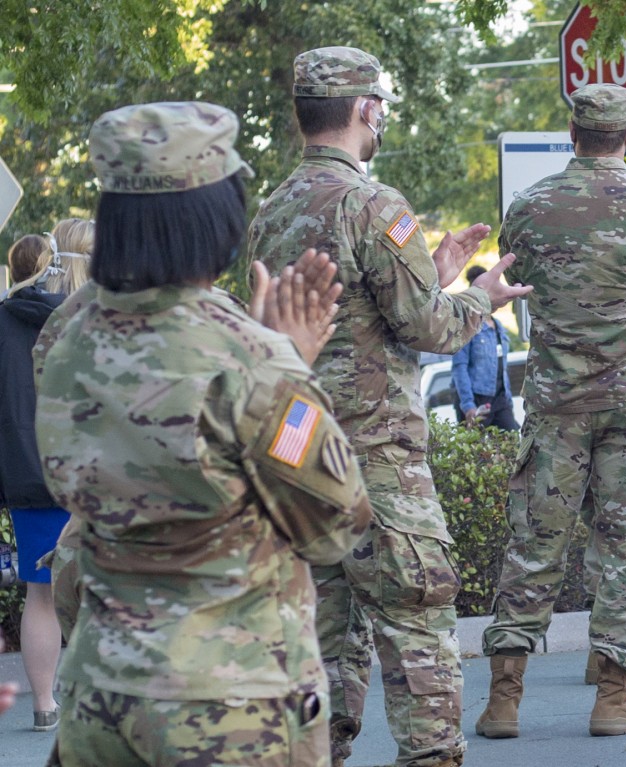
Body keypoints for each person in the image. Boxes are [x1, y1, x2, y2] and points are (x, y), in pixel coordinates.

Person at [36, 100, 370, 765]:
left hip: (100, 699)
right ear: (216, 215)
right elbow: (335, 522)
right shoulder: (247, 355)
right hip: (229, 710)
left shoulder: (66, 338)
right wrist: (292, 373)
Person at [247, 47, 528, 767]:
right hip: (377, 459)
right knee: (418, 615)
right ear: (366, 109)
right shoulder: (373, 203)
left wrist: (431, 274)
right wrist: (479, 296)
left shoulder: (272, 210)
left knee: (325, 632)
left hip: (302, 451)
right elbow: (427, 327)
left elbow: (361, 314)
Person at [476, 83, 626, 739]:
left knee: (533, 543)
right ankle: (613, 696)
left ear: (572, 133)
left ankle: (503, 700)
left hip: (555, 400)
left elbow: (518, 273)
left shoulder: (529, 207)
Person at [0, 217, 93, 732]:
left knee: (40, 591)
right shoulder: (89, 321)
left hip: (28, 472)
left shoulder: (3, 320)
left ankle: (44, 705)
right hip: (90, 476)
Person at [452, 265, 519, 431]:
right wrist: (468, 405)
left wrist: (508, 398)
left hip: (500, 399)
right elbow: (459, 368)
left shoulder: (499, 326)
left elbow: (502, 367)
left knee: (512, 442)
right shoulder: (468, 325)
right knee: (476, 451)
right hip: (477, 399)